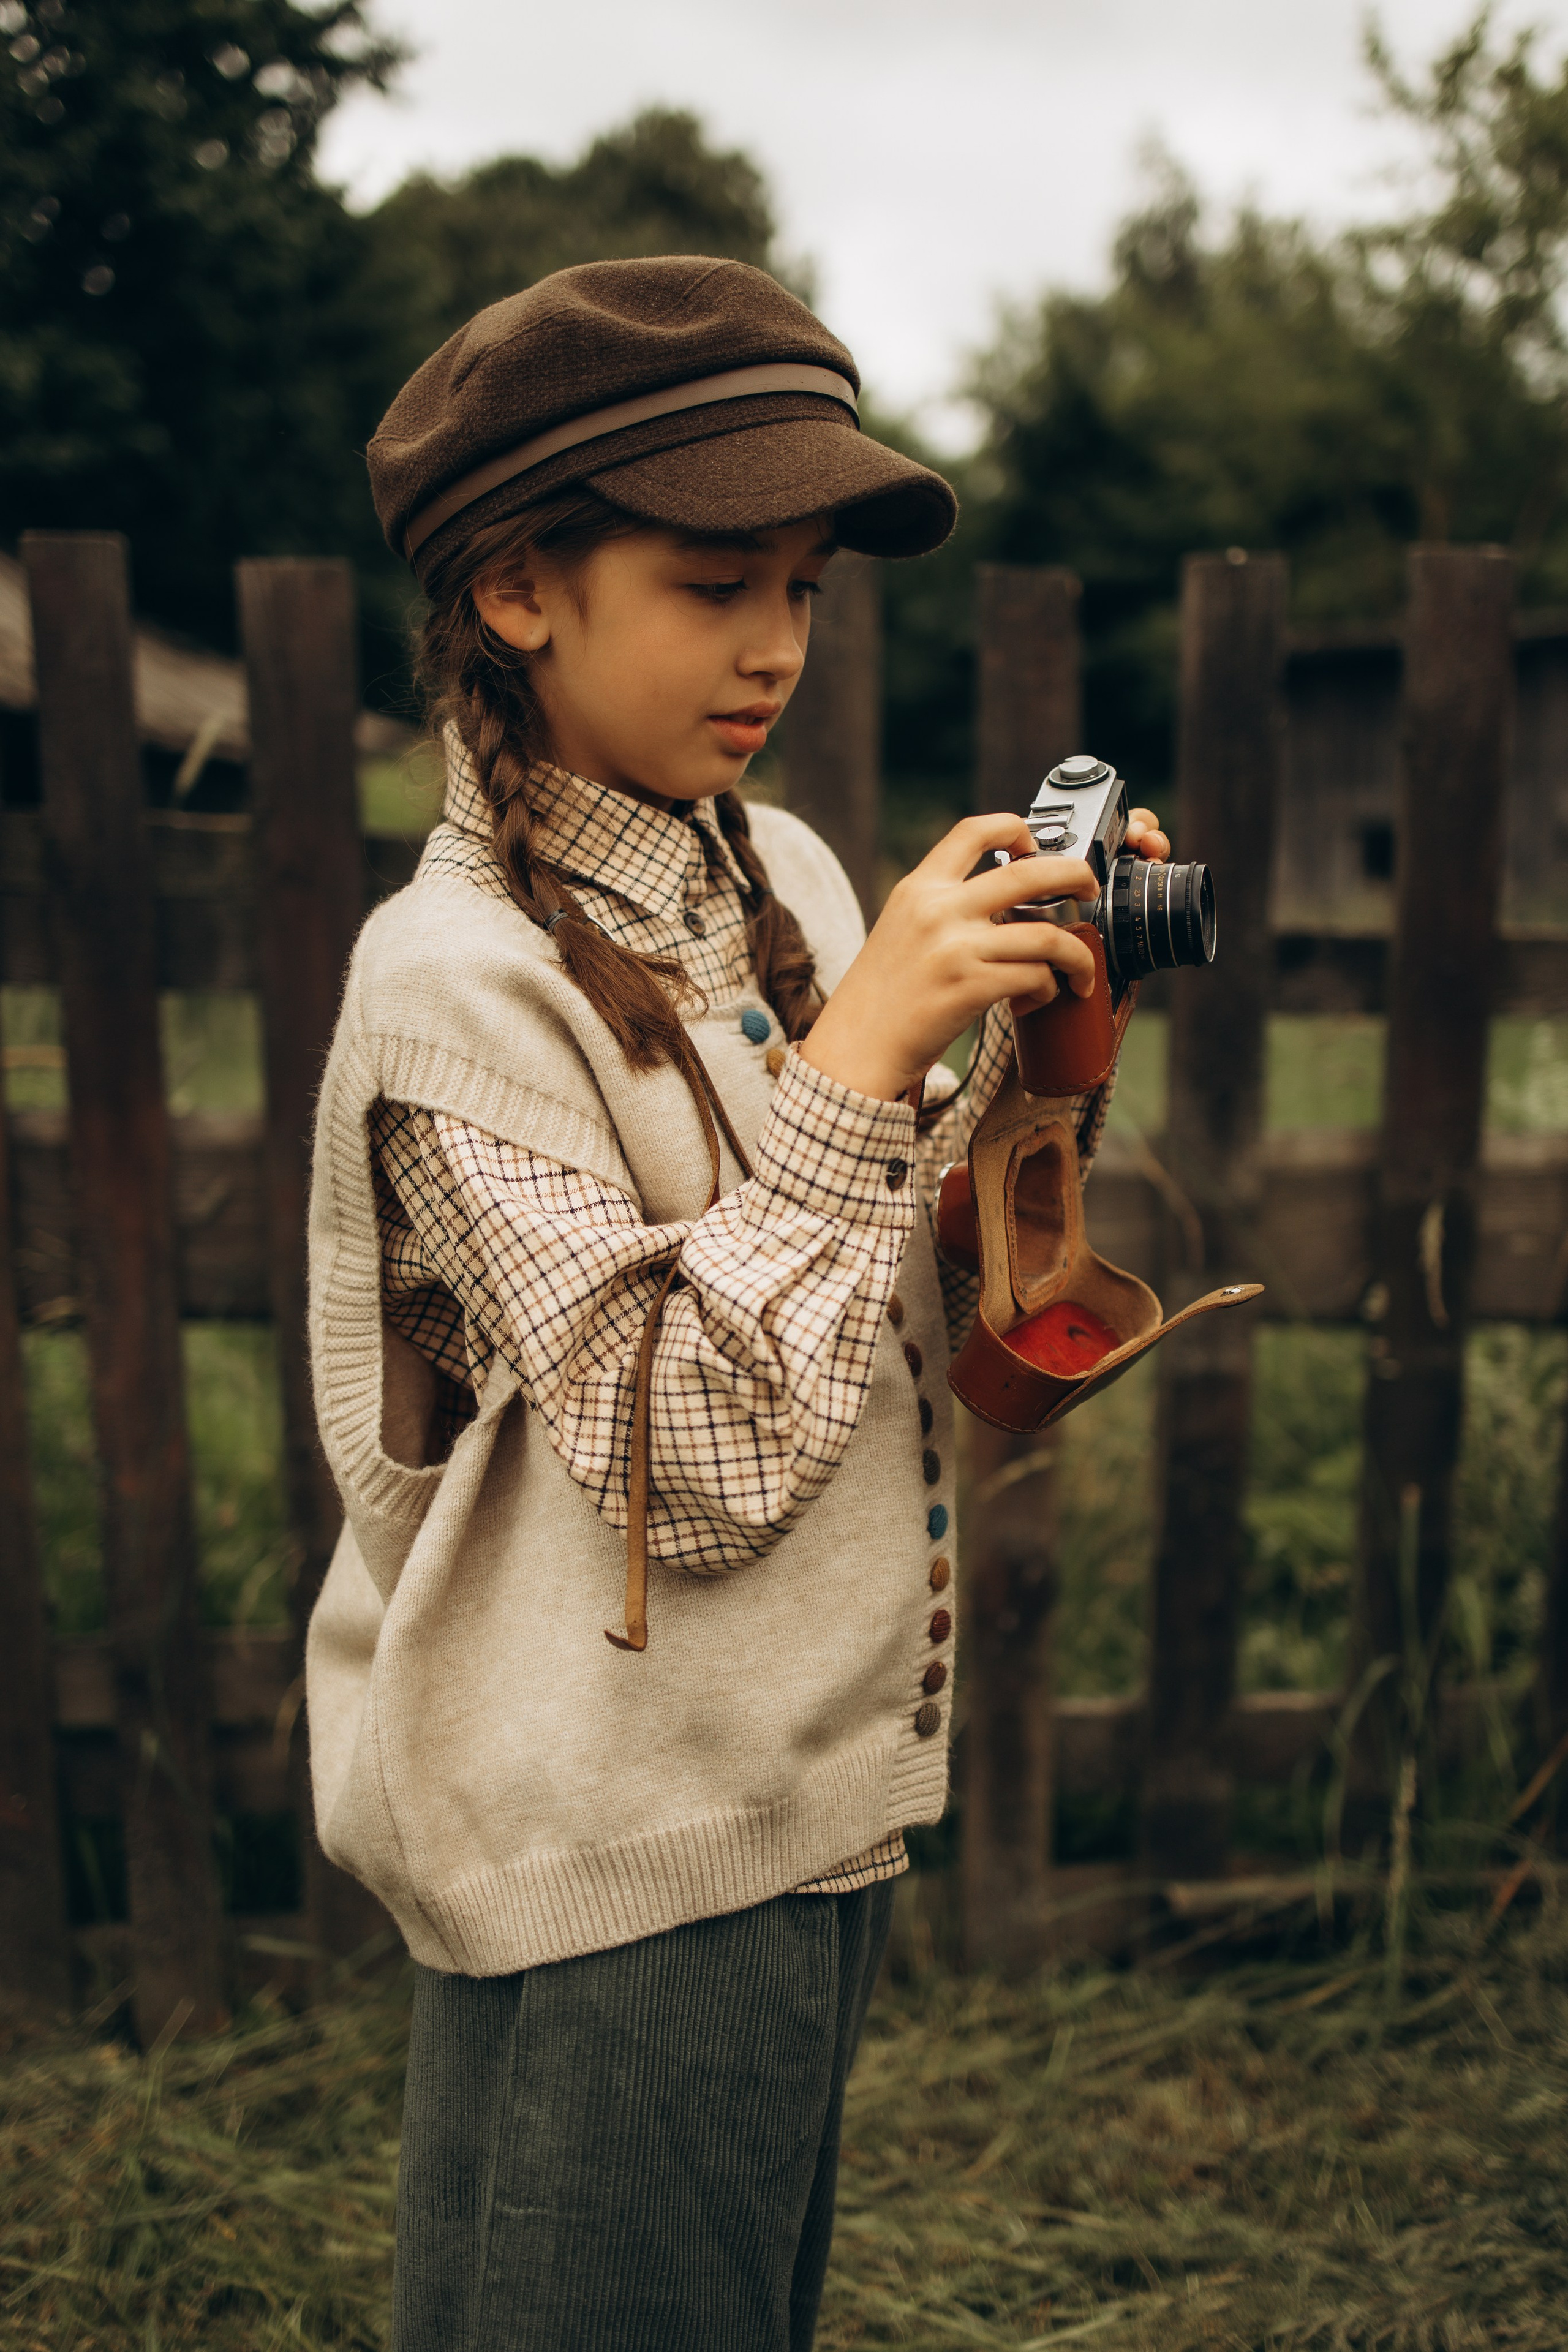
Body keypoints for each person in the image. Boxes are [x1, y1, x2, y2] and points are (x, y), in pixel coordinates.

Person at [304, 256, 1169, 2352]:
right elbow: (692, 1458)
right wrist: (864, 1051)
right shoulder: (451, 993)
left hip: (796, 1792)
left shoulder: (768, 870)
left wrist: (1039, 1041)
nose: (777, 646)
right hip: (621, 1825)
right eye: (716, 584)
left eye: (806, 587)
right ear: (518, 589)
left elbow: (850, 1271)